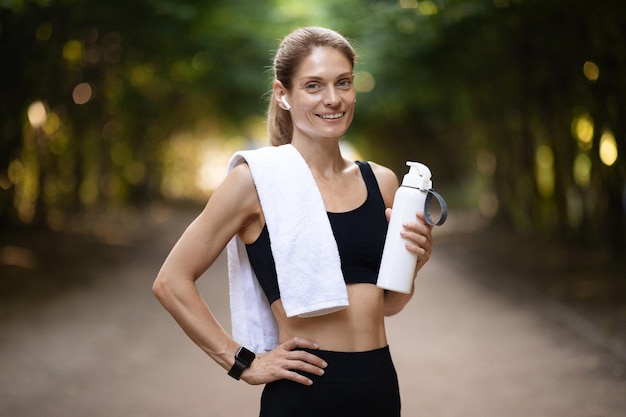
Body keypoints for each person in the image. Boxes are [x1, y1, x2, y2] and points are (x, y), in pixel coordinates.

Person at [153, 26, 434, 417]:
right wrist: (243, 362)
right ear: (283, 94)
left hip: (379, 386)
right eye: (313, 86)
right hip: (305, 395)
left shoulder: (382, 183)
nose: (333, 99)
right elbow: (170, 281)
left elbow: (389, 305)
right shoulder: (256, 182)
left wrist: (413, 263)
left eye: (344, 83)